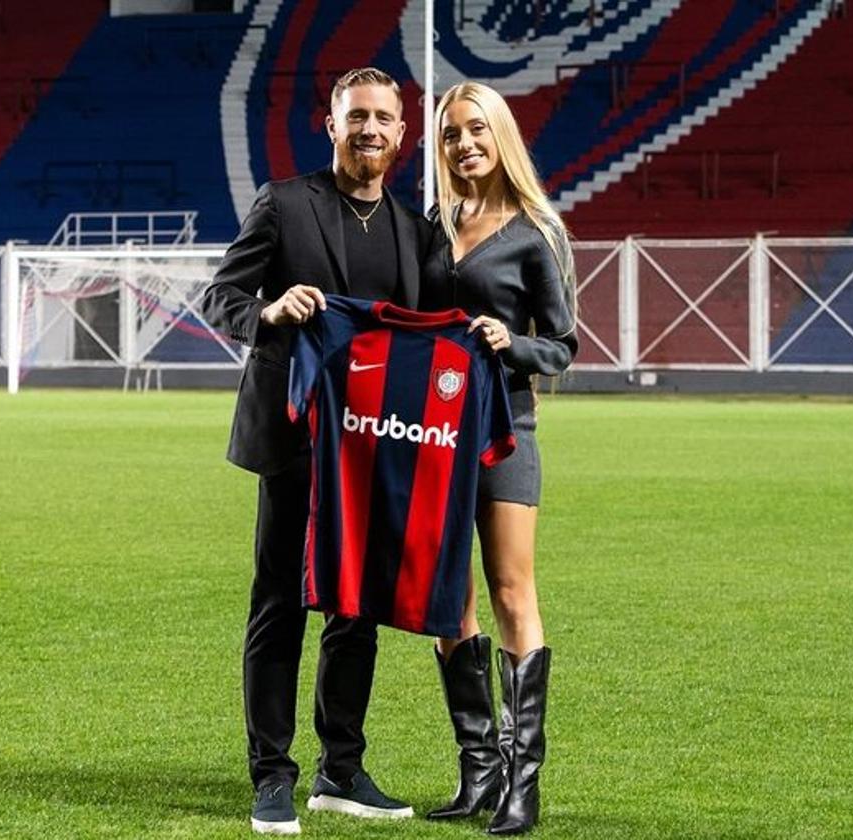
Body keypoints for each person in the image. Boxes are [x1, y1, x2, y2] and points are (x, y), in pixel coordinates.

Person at [200, 67, 431, 836]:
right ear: (330, 126)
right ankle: (272, 774)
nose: (370, 129)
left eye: (383, 119)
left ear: (403, 134)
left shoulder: (411, 231)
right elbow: (219, 296)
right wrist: (267, 310)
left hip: (373, 447)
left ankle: (341, 770)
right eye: (356, 116)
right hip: (293, 440)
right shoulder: (283, 202)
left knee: (356, 609)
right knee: (279, 604)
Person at [420, 81, 578, 835]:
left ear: (500, 135)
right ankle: (477, 767)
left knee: (513, 594)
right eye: (451, 133)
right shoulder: (431, 225)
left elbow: (565, 346)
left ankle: (523, 780)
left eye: (476, 129)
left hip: (506, 432)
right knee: (448, 600)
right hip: (432, 437)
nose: (464, 144)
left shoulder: (535, 232)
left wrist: (509, 342)